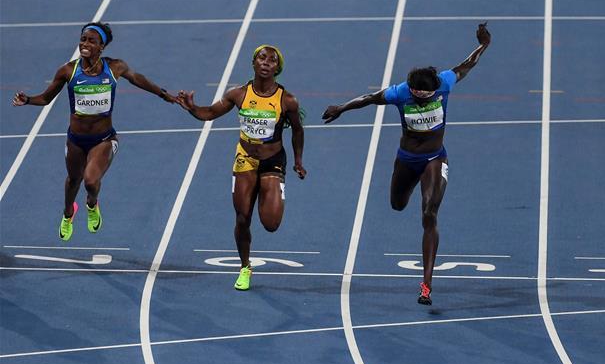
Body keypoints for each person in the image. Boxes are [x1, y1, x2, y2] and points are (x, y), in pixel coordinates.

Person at [322, 23, 491, 305]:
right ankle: (415, 188)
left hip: (435, 158)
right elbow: (369, 98)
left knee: (429, 213)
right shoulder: (401, 92)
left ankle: (426, 284)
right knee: (397, 204)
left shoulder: (444, 83)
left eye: (425, 97)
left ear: (434, 89)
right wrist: (341, 107)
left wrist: (483, 45)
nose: (420, 100)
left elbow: (466, 65)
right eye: (417, 96)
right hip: (407, 159)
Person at [12, 22, 176, 241]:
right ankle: (69, 212)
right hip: (76, 140)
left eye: (91, 40)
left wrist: (162, 94)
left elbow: (139, 79)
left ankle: (92, 203)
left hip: (104, 139)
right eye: (83, 39)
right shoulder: (68, 71)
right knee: (73, 180)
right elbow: (46, 98)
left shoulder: (115, 67)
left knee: (90, 181)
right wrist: (28, 100)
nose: (85, 44)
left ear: (102, 47)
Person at [176, 45, 305, 291]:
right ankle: (245, 267)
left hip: (273, 160)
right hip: (245, 158)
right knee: (243, 216)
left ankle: (272, 191)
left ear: (278, 68)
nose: (266, 62)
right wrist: (193, 108)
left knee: (271, 224)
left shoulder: (287, 100)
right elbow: (210, 113)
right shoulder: (238, 94)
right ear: (253, 63)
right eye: (261, 57)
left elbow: (298, 130)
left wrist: (298, 161)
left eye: (272, 60)